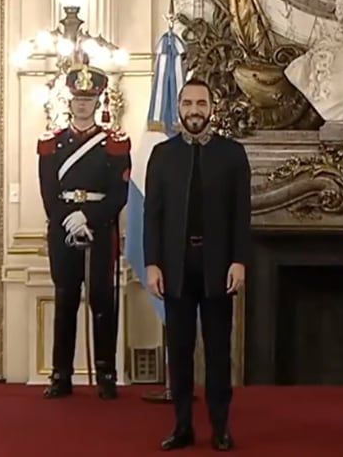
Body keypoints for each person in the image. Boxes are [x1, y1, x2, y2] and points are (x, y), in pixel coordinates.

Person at [144, 79, 252, 452]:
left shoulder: (233, 154)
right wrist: (152, 264)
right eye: (188, 102)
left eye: (201, 103)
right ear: (179, 107)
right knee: (181, 351)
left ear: (212, 107)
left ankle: (221, 427)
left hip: (218, 266)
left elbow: (242, 214)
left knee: (219, 352)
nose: (194, 109)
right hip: (174, 267)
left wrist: (240, 261)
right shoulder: (162, 155)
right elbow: (152, 215)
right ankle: (182, 426)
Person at [37, 66, 130, 400]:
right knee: (65, 301)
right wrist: (68, 218)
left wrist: (87, 216)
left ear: (98, 101)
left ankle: (106, 372)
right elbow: (49, 193)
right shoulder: (51, 143)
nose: (82, 105)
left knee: (102, 301)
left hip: (100, 230)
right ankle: (60, 375)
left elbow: (120, 195)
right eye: (78, 99)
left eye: (88, 99)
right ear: (70, 100)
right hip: (63, 229)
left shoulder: (114, 144)